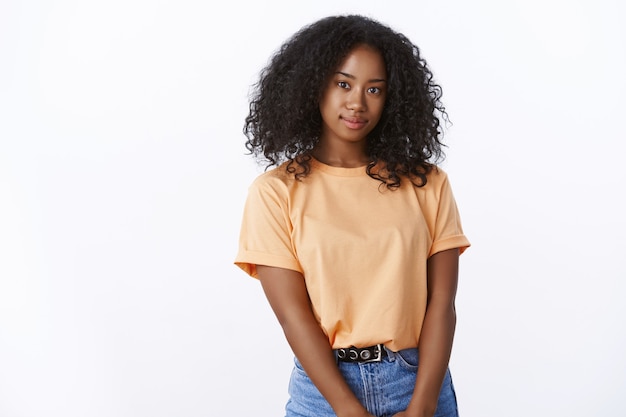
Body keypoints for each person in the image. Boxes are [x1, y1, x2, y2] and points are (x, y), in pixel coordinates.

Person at [235, 14, 470, 417]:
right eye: (343, 84)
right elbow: (295, 317)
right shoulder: (276, 193)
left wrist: (423, 406)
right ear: (313, 87)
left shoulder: (427, 184)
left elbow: (442, 302)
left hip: (419, 383)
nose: (357, 103)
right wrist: (348, 409)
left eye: (374, 89)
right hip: (323, 393)